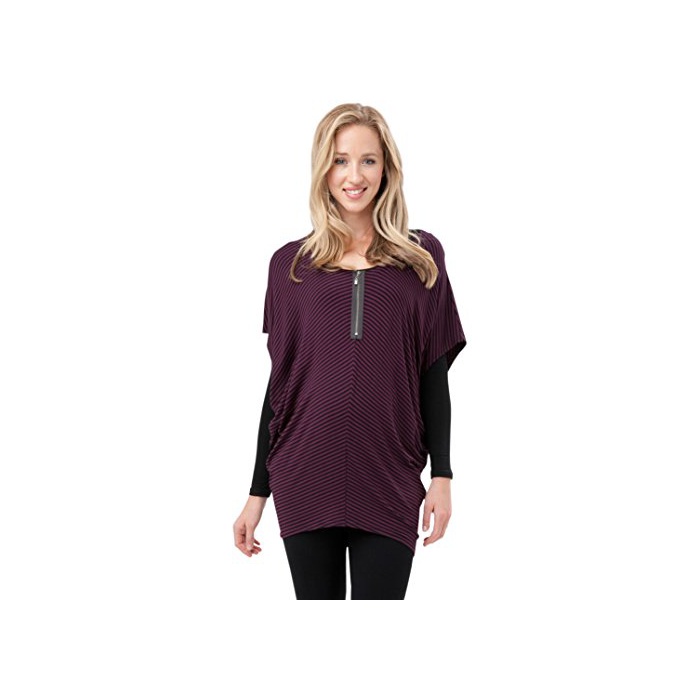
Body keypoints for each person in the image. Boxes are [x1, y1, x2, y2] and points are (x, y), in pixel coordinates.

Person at [232, 103, 467, 600]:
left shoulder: (422, 259)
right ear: (323, 168)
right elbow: (281, 389)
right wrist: (256, 494)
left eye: (368, 160)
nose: (354, 176)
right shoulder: (290, 266)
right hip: (304, 472)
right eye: (340, 161)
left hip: (389, 475)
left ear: (386, 169)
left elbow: (433, 374)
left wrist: (442, 475)